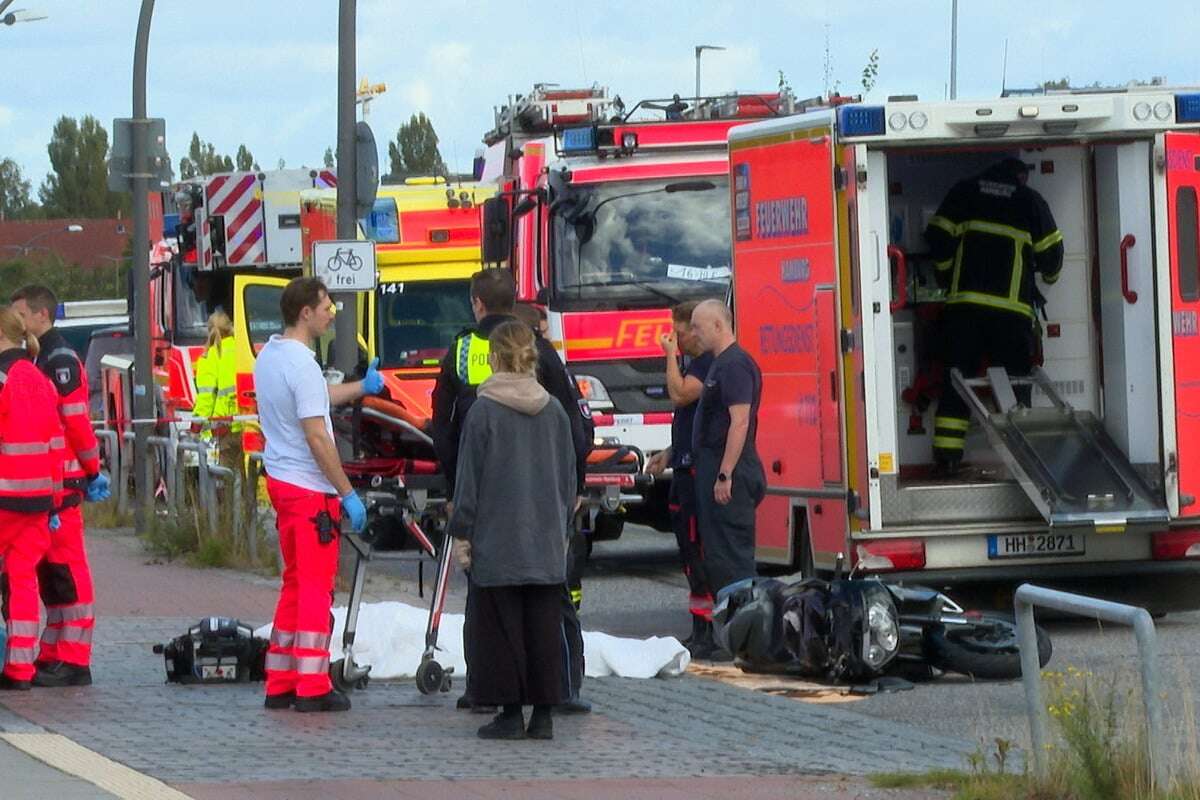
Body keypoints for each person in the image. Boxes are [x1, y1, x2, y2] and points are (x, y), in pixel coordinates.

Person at [432, 268, 592, 715]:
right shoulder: (536, 350)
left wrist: (452, 488)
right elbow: (574, 420)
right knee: (549, 603)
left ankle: (486, 691)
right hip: (541, 496)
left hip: (487, 496)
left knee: (488, 604)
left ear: (476, 303)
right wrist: (574, 486)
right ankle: (561, 691)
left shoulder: (462, 350)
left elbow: (442, 427)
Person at [254, 277, 384, 713]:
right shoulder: (302, 365)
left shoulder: (271, 356)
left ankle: (282, 679)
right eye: (327, 306)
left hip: (283, 482)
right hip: (311, 490)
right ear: (305, 313)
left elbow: (318, 399)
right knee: (315, 588)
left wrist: (360, 389)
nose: (332, 313)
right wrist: (346, 492)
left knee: (293, 583)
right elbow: (316, 435)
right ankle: (312, 685)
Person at [448, 320, 577, 740]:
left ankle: (508, 713)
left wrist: (461, 529)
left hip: (497, 538)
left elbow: (470, 481)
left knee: (501, 630)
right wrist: (560, 526)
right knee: (543, 627)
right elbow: (568, 480)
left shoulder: (484, 411)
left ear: (493, 359)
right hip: (544, 540)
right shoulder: (554, 410)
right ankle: (543, 716)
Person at [924, 158, 1064, 472]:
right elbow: (1052, 255)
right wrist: (1047, 279)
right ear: (1020, 176)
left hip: (965, 312)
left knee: (957, 383)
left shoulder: (964, 192)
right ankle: (1024, 461)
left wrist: (947, 276)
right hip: (1011, 315)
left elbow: (937, 239)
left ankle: (947, 459)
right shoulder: (1030, 201)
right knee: (1016, 385)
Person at [11, 285, 110, 688]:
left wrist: (91, 469)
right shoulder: (40, 358)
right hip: (51, 482)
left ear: (40, 315)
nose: (15, 322)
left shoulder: (59, 358)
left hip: (64, 482)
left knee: (68, 569)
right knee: (53, 574)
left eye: (20, 314)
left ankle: (74, 657)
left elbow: (75, 422)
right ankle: (54, 651)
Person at [646, 300, 722, 659]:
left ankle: (710, 631)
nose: (673, 337)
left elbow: (679, 394)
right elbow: (689, 421)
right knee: (689, 553)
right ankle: (699, 627)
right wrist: (668, 453)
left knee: (699, 550)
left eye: (677, 331)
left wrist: (669, 356)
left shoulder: (706, 363)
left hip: (698, 476)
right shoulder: (695, 364)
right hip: (684, 466)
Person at [0, 307, 69, 690]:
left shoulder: (2, 378)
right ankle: (21, 668)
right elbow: (56, 443)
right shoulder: (41, 380)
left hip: (3, 496)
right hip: (38, 500)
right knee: (23, 581)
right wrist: (55, 498)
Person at [689, 299, 766, 596]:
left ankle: (746, 627)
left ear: (718, 325)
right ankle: (732, 630)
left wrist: (725, 474)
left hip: (730, 473)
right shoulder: (720, 363)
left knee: (733, 557)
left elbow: (740, 422)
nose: (693, 333)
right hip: (715, 467)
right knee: (720, 558)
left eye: (698, 326)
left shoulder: (734, 365)